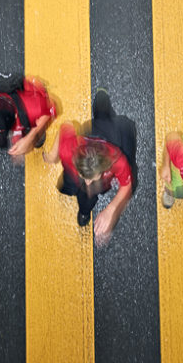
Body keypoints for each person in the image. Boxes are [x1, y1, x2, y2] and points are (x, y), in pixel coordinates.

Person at [43, 90, 136, 246]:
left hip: (109, 134)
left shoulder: (117, 159)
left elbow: (127, 185)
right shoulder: (68, 148)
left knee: (87, 196)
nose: (87, 182)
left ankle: (84, 211)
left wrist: (111, 210)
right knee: (72, 185)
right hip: (98, 134)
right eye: (84, 175)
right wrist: (53, 155)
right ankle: (101, 102)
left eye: (92, 177)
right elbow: (65, 127)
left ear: (105, 167)